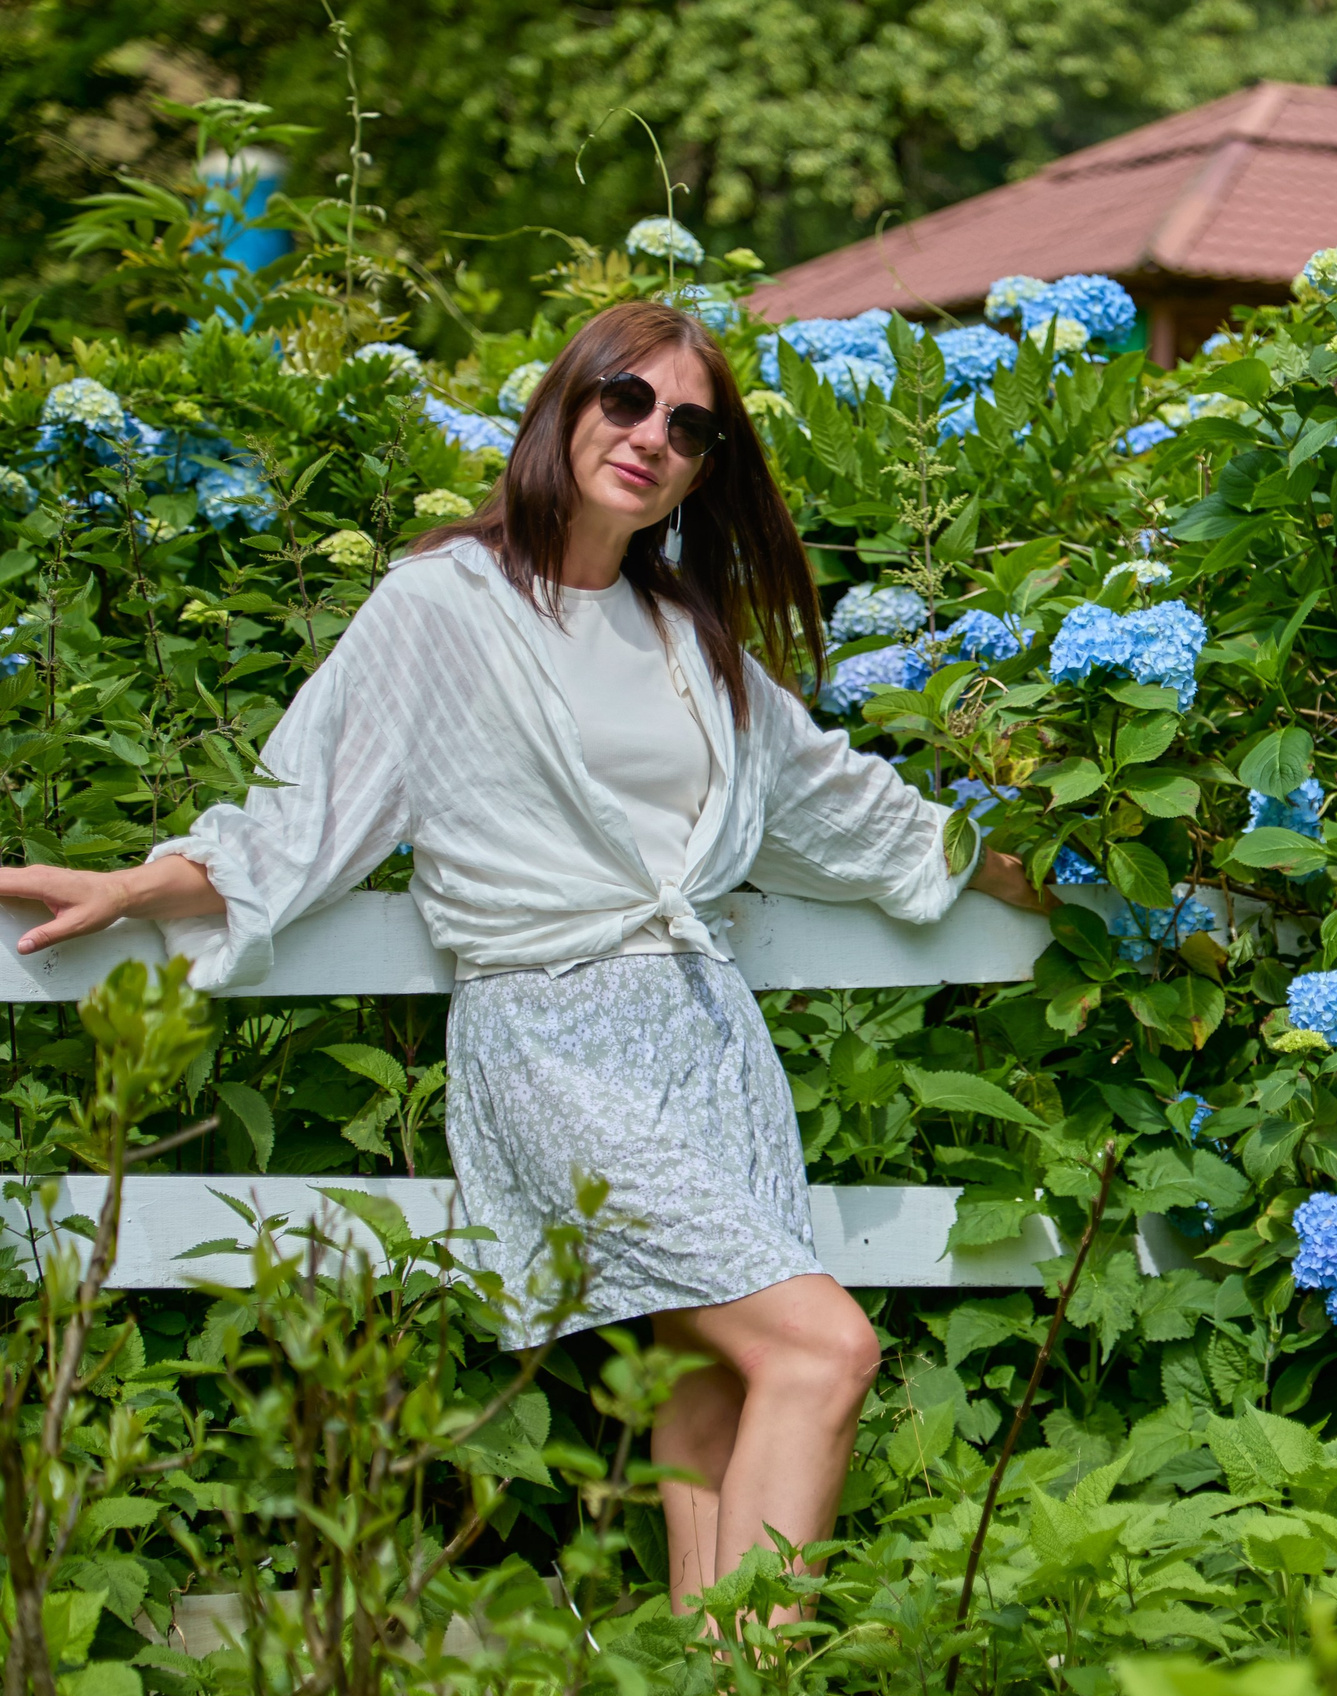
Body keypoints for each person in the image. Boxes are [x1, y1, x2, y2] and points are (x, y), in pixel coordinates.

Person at [0, 300, 1051, 1623]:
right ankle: (769, 1676)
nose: (650, 436)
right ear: (563, 404)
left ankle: (705, 1664)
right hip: (552, 1046)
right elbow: (304, 811)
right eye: (625, 397)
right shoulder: (443, 608)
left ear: (706, 464)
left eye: (690, 425)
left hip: (707, 1046)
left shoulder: (698, 646)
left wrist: (1069, 862)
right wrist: (143, 879)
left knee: (706, 1389)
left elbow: (869, 817)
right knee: (823, 1347)